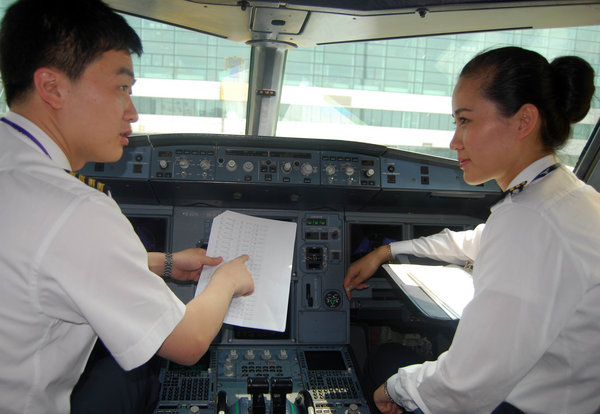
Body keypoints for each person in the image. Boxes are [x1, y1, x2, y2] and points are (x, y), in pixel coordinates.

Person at [0, 0, 254, 413]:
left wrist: (162, 263)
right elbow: (186, 341)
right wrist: (227, 280)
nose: (132, 113)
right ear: (52, 87)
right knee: (137, 374)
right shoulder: (75, 209)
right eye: (121, 88)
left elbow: (39, 262)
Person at [344, 46, 599, 414]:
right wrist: (387, 251)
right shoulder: (565, 196)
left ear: (524, 121)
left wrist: (397, 388)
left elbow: (464, 383)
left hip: (519, 405)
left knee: (384, 362)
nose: (454, 141)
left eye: (465, 121)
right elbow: (476, 240)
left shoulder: (530, 220)